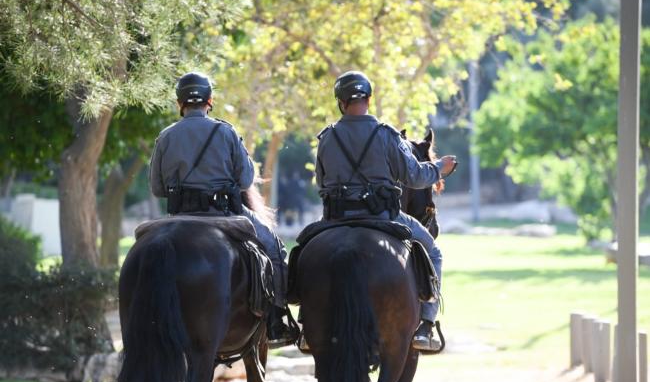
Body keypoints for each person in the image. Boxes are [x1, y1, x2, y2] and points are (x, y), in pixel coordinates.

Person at [149, 71, 297, 348]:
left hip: (180, 216)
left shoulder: (166, 137)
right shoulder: (225, 132)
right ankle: (277, 320)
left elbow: (157, 188)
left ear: (180, 102)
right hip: (225, 214)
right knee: (275, 248)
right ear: (209, 100)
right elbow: (244, 180)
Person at [315, 71, 457, 351]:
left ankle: (303, 325)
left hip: (336, 217)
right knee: (433, 252)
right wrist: (440, 167)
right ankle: (426, 326)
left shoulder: (327, 137)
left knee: (301, 250)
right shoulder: (386, 134)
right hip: (384, 215)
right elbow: (414, 177)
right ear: (368, 99)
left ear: (340, 103)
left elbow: (321, 182)